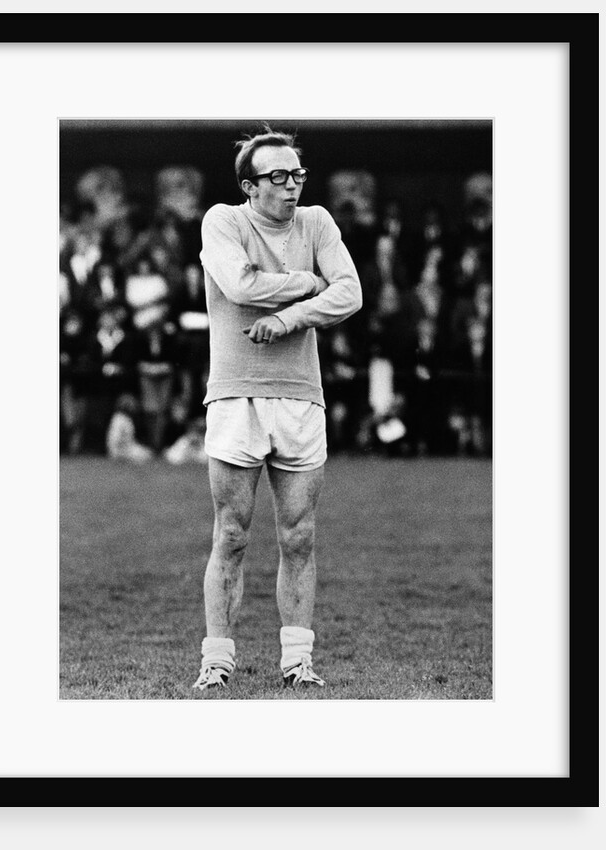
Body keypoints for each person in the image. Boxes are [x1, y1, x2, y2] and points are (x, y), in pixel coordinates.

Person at [192, 126, 362, 691]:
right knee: (232, 534)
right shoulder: (223, 220)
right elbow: (240, 286)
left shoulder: (317, 222)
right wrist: (308, 282)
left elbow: (351, 293)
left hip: (300, 396)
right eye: (279, 177)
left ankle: (297, 663)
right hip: (236, 394)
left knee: (299, 536)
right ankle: (216, 662)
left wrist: (289, 316)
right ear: (250, 184)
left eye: (298, 175)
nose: (292, 186)